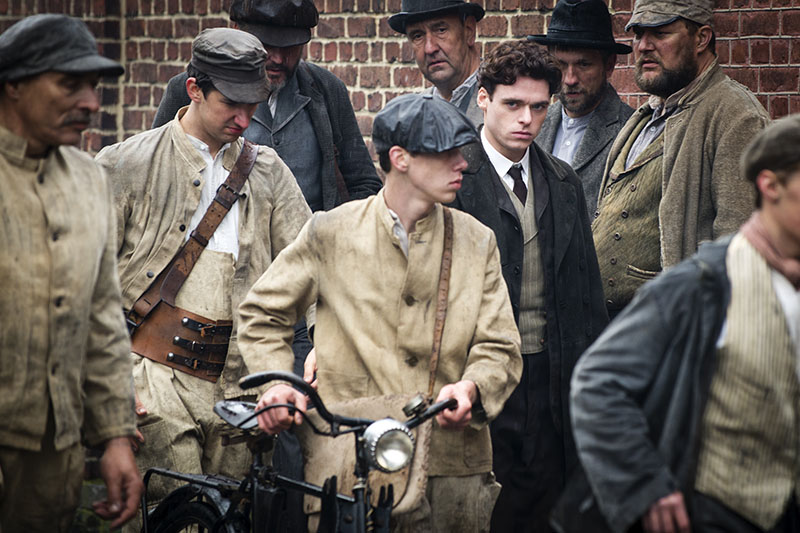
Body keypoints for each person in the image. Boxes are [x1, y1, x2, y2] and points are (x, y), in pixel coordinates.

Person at [238, 93, 523, 531]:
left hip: (450, 471)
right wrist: (277, 383)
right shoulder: (330, 232)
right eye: (445, 153)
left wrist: (473, 388)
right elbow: (262, 313)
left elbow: (500, 345)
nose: (462, 163)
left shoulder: (477, 240)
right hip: (351, 465)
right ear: (400, 158)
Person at [94, 27, 311, 522]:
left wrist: (316, 348)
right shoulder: (125, 164)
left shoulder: (269, 171)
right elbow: (86, 287)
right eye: (231, 104)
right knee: (170, 514)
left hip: (242, 385)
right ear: (194, 89)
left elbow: (312, 267)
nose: (244, 119)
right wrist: (108, 387)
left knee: (235, 517)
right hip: (155, 380)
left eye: (253, 105)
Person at [567, 114, 800, 533]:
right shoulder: (703, 284)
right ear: (771, 186)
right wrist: (644, 484)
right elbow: (598, 382)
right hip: (718, 513)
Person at [450, 39, 608, 533]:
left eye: (539, 107)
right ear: (483, 99)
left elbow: (587, 292)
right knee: (482, 508)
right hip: (475, 375)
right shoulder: (454, 180)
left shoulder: (562, 182)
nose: (527, 119)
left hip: (550, 377)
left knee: (545, 510)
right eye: (513, 104)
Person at [0, 14, 142, 531]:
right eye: (69, 84)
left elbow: (102, 317)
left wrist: (115, 436)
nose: (90, 103)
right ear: (14, 84)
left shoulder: (88, 180)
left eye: (94, 86)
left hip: (52, 453)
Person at [591, 0, 769, 317]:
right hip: (613, 325)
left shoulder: (736, 115)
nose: (643, 46)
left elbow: (738, 247)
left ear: (701, 39)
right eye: (639, 34)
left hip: (674, 323)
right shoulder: (648, 114)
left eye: (660, 33)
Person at [152, 0, 381, 213]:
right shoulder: (192, 88)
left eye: (290, 47)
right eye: (267, 45)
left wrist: (333, 231)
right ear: (237, 31)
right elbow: (155, 175)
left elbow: (363, 183)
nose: (278, 59)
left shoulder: (327, 89)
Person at [529, 0, 634, 216]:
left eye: (583, 64)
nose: (570, 79)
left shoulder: (630, 132)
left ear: (609, 65)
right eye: (560, 64)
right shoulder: (534, 123)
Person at [389, 0, 485, 126]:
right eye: (417, 36)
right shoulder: (411, 117)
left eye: (441, 30)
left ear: (469, 30)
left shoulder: (502, 101)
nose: (430, 48)